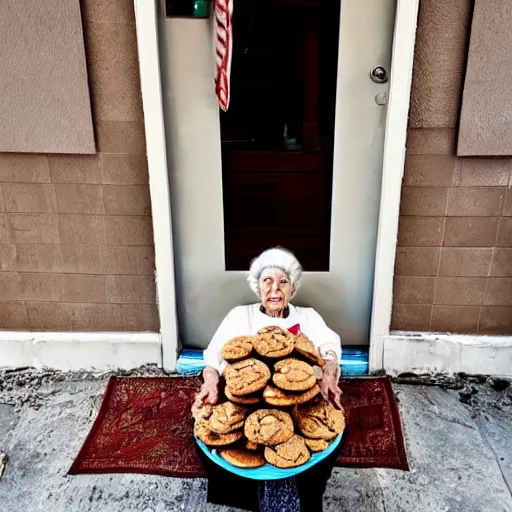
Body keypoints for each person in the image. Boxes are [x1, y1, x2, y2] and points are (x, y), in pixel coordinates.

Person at [194, 247, 343, 512]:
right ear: (258, 288)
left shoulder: (307, 317)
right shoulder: (240, 316)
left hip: (295, 404)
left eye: (282, 282)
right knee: (229, 443)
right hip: (245, 402)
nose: (275, 290)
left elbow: (329, 351)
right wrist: (210, 382)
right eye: (267, 281)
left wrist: (330, 374)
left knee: (307, 459)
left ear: (293, 290)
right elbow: (212, 359)